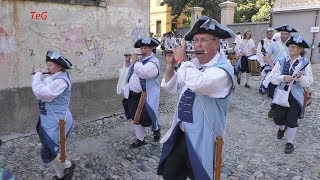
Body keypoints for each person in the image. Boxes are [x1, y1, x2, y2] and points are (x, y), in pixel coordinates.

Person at [157, 16, 234, 180]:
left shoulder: (223, 70)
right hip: (181, 134)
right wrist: (171, 66)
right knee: (170, 175)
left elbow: (199, 83)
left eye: (203, 40)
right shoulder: (194, 64)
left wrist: (183, 61)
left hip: (203, 138)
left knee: (201, 175)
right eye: (196, 40)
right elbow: (173, 86)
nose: (197, 44)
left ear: (216, 43)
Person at [32, 50, 75, 180]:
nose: (47, 67)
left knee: (49, 151)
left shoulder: (61, 81)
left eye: (50, 65)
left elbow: (42, 93)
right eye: (48, 64)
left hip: (58, 122)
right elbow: (43, 85)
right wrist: (40, 76)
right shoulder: (52, 77)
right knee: (51, 150)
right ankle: (60, 175)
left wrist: (36, 77)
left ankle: (69, 165)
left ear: (60, 67)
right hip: (46, 121)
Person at [269, 35, 313, 154]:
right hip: (282, 94)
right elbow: (272, 77)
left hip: (295, 95)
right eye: (290, 46)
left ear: (300, 50)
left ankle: (290, 142)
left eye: (294, 47)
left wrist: (300, 77)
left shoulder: (305, 63)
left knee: (292, 120)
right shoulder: (282, 60)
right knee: (279, 119)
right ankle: (282, 128)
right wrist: (283, 77)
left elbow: (309, 81)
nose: (291, 48)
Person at [120, 37, 161, 148]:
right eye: (142, 48)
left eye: (146, 48)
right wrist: (127, 62)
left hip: (145, 96)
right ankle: (140, 139)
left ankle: (156, 129)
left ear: (151, 49)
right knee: (136, 118)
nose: (143, 51)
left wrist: (136, 61)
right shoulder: (140, 60)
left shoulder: (153, 62)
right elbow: (129, 72)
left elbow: (143, 73)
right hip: (134, 95)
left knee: (149, 116)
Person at [263, 24, 298, 118]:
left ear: (289, 35)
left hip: (289, 71)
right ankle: (273, 105)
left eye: (286, 34)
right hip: (276, 71)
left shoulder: (293, 46)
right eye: (282, 33)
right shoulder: (273, 45)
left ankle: (280, 107)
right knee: (273, 89)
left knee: (286, 91)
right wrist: (272, 65)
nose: (283, 35)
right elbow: (267, 57)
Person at [256, 28, 274, 94]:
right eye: (269, 34)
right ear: (266, 34)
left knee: (271, 76)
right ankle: (262, 87)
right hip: (264, 62)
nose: (270, 35)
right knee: (264, 75)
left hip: (273, 62)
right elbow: (258, 52)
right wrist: (262, 62)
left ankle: (269, 89)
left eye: (271, 34)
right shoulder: (262, 42)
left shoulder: (275, 42)